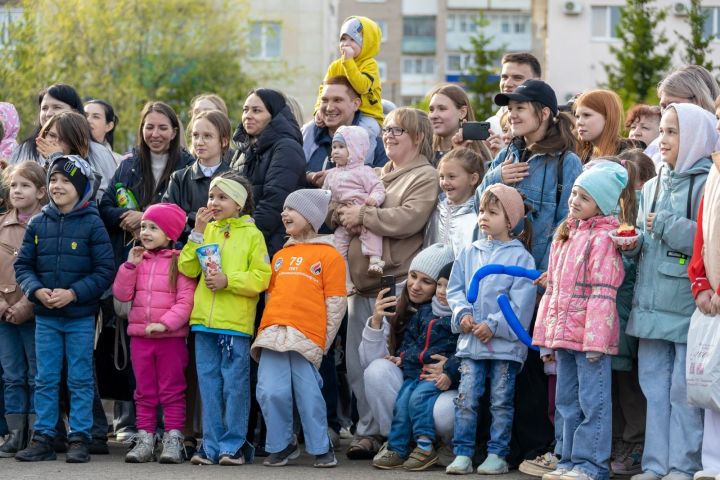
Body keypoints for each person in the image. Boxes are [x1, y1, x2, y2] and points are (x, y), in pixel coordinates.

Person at [332, 107, 439, 459]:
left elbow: (409, 218)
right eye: (387, 130)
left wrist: (362, 214)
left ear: (419, 137)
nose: (389, 135)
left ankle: (393, 432)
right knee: (357, 365)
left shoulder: (424, 175)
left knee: (388, 361)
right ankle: (368, 430)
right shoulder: (377, 173)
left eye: (398, 131)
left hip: (393, 282)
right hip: (360, 284)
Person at [620, 103, 716, 480]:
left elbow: (709, 241)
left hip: (686, 304)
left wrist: (666, 224)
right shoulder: (655, 181)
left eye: (673, 131)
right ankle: (655, 465)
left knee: (683, 393)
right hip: (650, 302)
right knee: (653, 391)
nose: (664, 139)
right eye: (664, 130)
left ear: (695, 135)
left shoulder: (708, 181)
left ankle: (682, 465)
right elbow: (648, 237)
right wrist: (633, 244)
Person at [14, 155, 114, 463]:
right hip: (46, 318)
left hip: (79, 317)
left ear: (81, 187)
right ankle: (44, 436)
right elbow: (23, 265)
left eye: (66, 181)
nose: (58, 186)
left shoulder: (93, 224)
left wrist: (73, 293)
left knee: (80, 378)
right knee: (45, 378)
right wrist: (36, 290)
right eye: (54, 179)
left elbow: (104, 270)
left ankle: (79, 438)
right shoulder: (38, 222)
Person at [534, 161, 631, 480]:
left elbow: (603, 295)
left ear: (600, 204)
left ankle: (592, 465)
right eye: (574, 194)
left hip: (591, 342)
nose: (575, 201)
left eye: (584, 198)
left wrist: (597, 342)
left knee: (594, 402)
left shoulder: (605, 239)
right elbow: (553, 293)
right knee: (566, 402)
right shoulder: (564, 235)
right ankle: (569, 460)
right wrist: (545, 340)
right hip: (563, 338)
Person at [178, 171, 272, 466]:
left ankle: (233, 446)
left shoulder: (252, 235)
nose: (213, 202)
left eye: (222, 197)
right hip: (204, 324)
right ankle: (211, 445)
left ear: (239, 203)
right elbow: (187, 268)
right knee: (209, 385)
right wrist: (195, 233)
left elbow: (261, 277)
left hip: (234, 326)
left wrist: (228, 280)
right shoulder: (206, 231)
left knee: (234, 385)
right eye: (211, 196)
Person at [445, 183, 536, 475]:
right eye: (482, 210)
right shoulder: (470, 252)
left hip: (505, 347)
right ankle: (462, 452)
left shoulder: (521, 257)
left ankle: (497, 453)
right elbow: (455, 289)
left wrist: (494, 325)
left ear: (510, 220)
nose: (484, 216)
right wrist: (462, 314)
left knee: (500, 400)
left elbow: (521, 301)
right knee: (466, 399)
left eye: (493, 212)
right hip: (471, 344)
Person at [253, 189, 346, 468]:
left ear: (311, 216)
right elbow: (271, 297)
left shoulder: (330, 256)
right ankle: (283, 444)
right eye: (284, 209)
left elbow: (336, 304)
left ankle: (320, 446)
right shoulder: (280, 255)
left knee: (309, 394)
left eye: (292, 209)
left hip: (307, 336)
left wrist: (323, 343)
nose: (284, 214)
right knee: (269, 390)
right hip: (273, 333)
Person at [112, 203, 196, 464]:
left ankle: (172, 438)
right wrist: (129, 267)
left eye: (154, 227)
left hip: (170, 340)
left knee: (172, 390)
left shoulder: (180, 262)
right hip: (140, 337)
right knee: (144, 391)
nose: (145, 232)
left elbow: (186, 301)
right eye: (144, 226)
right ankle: (145, 437)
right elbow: (122, 295)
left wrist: (166, 324)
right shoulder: (138, 259)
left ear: (170, 233)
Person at [369, 243, 457, 471]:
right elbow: (412, 342)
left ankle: (427, 446)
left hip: (441, 380)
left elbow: (465, 349)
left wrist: (450, 368)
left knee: (421, 401)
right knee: (403, 401)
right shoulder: (422, 313)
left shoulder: (458, 316)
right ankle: (397, 447)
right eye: (413, 276)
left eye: (427, 281)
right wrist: (400, 355)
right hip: (414, 372)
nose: (415, 286)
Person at [479, 79, 582, 271]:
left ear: (544, 113)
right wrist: (495, 178)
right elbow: (478, 208)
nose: (512, 116)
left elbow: (568, 226)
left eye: (520, 108)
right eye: (510, 109)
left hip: (533, 276)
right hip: (492, 271)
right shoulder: (505, 155)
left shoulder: (567, 163)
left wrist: (542, 278)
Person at [100, 101, 194, 270]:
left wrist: (144, 218)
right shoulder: (128, 164)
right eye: (149, 127)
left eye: (163, 128)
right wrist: (130, 217)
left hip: (172, 264)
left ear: (174, 133)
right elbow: (106, 207)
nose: (155, 134)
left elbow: (188, 215)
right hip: (131, 259)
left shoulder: (188, 168)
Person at [0, 162, 46, 457]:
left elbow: (48, 269)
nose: (18, 190)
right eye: (14, 185)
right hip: (3, 314)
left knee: (36, 374)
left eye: (25, 185)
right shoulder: (1, 224)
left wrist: (26, 304)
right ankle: (14, 432)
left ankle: (35, 432)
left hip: (33, 312)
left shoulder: (46, 224)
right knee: (11, 374)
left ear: (41, 191)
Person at [687, 96, 720, 480]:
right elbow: (703, 237)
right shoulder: (714, 171)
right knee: (712, 380)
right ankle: (712, 461)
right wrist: (701, 283)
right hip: (712, 293)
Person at [230, 88, 305, 258]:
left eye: (256, 110)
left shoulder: (286, 147)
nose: (248, 115)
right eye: (245, 110)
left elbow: (274, 201)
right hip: (241, 239)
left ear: (274, 115)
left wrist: (245, 239)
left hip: (270, 243)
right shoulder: (242, 151)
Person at [10, 84, 116, 200]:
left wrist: (56, 158)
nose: (49, 113)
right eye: (44, 108)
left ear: (74, 112)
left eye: (57, 107)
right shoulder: (24, 150)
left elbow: (107, 195)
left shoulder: (99, 152)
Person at [323, 125, 385, 279]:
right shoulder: (331, 175)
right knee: (338, 247)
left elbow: (378, 188)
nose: (336, 151)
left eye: (342, 147)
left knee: (372, 234)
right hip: (344, 221)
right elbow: (325, 195)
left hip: (363, 214)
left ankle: (375, 261)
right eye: (334, 147)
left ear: (355, 149)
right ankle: (345, 282)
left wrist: (374, 199)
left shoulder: (364, 171)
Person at [304, 76, 387, 187]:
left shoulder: (378, 148)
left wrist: (336, 177)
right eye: (324, 100)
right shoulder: (307, 139)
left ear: (356, 104)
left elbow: (381, 190)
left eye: (337, 100)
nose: (329, 108)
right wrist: (308, 177)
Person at [163, 110, 232, 240]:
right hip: (184, 251)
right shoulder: (179, 178)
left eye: (207, 136)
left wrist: (188, 218)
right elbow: (168, 221)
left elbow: (238, 222)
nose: (199, 142)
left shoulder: (235, 180)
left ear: (223, 141)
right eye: (195, 135)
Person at [315, 16, 383, 147]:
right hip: (340, 113)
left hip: (367, 115)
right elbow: (323, 90)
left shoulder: (370, 65)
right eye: (343, 39)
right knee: (309, 129)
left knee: (367, 133)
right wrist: (318, 109)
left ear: (367, 44)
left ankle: (362, 164)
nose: (346, 43)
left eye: (353, 39)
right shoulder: (335, 66)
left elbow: (362, 87)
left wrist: (348, 62)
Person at [647, 65, 720, 164]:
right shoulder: (654, 150)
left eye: (674, 105)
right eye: (663, 106)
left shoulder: (716, 144)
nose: (667, 112)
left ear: (698, 101)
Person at [424, 147, 484, 255]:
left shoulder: (478, 215)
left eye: (451, 177)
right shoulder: (437, 210)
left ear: (473, 179)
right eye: (442, 177)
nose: (445, 182)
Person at [485, 53, 543, 154]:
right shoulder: (490, 125)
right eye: (504, 77)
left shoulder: (552, 124)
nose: (507, 83)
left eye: (517, 78)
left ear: (537, 82)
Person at [426, 84, 493, 164]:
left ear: (462, 112)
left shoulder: (477, 158)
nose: (434, 115)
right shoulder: (423, 152)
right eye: (431, 110)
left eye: (442, 109)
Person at [574, 89, 643, 163]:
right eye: (577, 116)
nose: (579, 122)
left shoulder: (629, 152)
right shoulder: (581, 153)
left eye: (587, 115)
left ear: (608, 117)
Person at [84, 99, 123, 164]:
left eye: (96, 117)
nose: (88, 120)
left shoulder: (119, 162)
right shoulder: (68, 152)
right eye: (85, 115)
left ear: (109, 126)